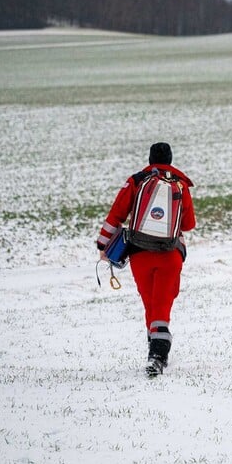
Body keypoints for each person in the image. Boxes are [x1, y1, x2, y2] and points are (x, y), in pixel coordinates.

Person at [96, 142, 196, 376]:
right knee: (162, 303)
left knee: (150, 303)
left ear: (150, 159)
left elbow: (116, 214)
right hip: (170, 254)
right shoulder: (180, 184)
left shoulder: (137, 181)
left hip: (140, 252)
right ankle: (158, 355)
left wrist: (103, 244)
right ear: (170, 160)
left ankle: (155, 350)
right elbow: (189, 224)